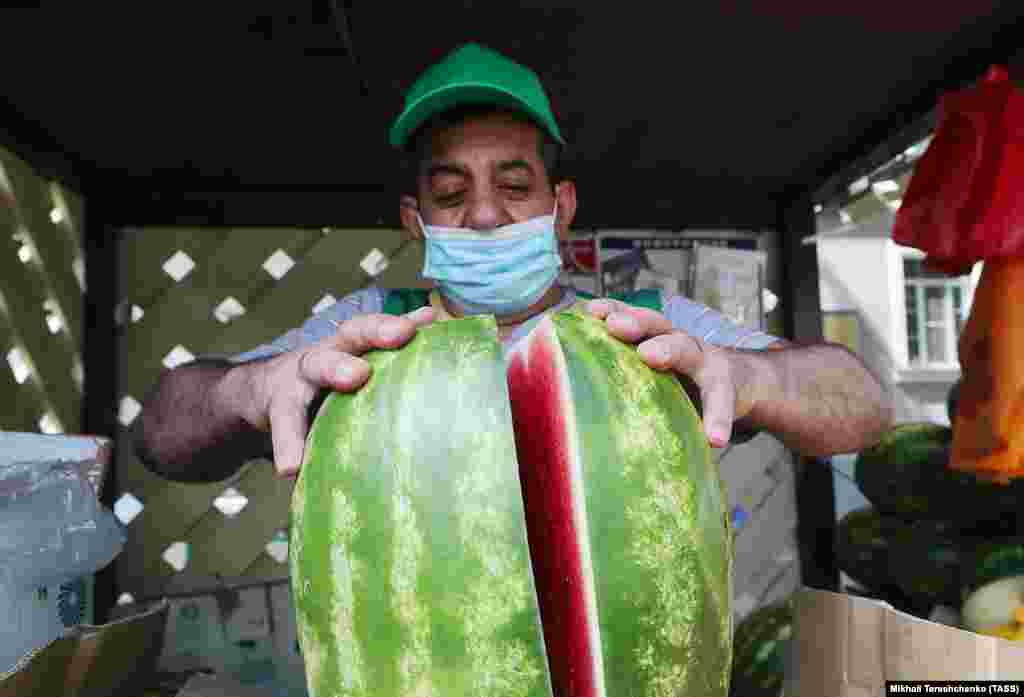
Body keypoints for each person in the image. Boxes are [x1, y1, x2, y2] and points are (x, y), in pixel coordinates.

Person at [133, 43, 892, 483]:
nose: (487, 214)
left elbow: (862, 405)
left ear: (562, 206)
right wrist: (250, 387)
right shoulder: (359, 332)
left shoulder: (646, 331)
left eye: (514, 185)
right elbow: (158, 435)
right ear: (415, 221)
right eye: (451, 191)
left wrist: (749, 376)